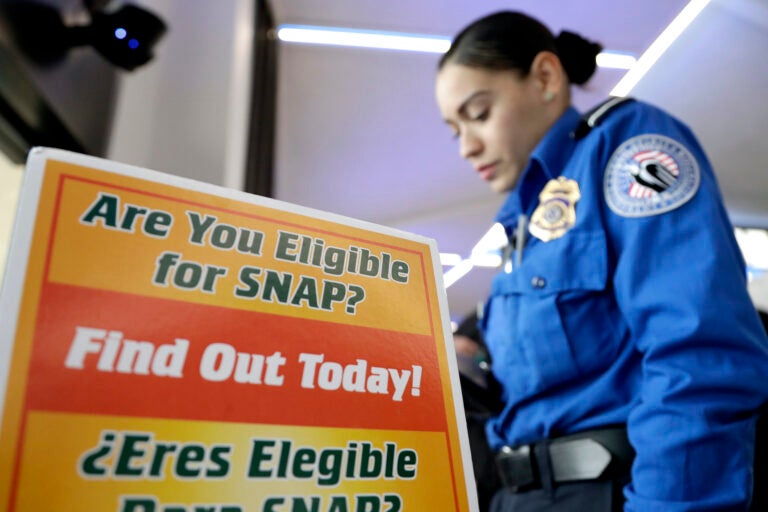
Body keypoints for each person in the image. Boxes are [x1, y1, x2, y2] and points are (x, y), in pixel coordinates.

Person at [434, 10, 768, 512]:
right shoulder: (522, 224)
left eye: (478, 114)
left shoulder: (626, 150)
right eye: (454, 130)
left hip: (605, 491)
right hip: (518, 496)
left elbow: (697, 354)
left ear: (546, 77)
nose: (467, 147)